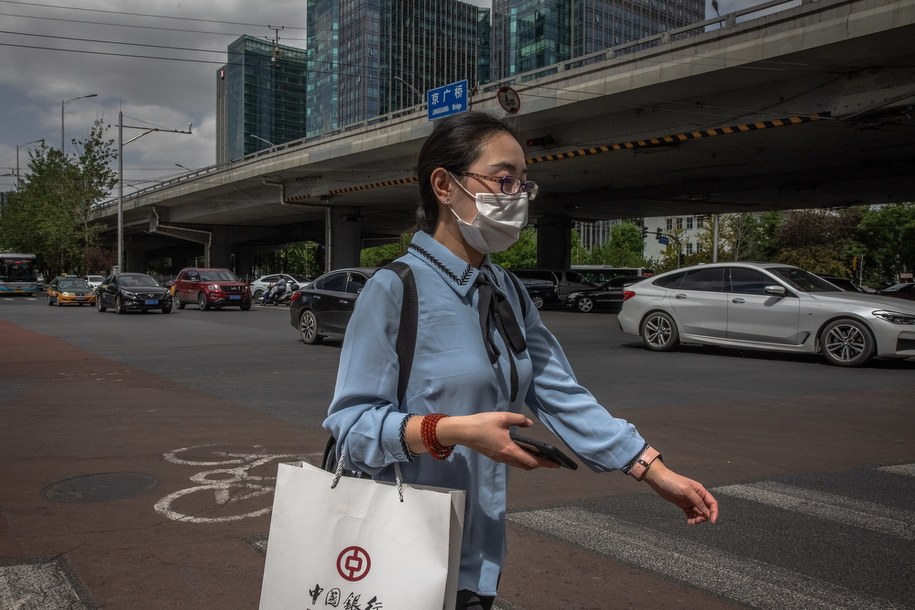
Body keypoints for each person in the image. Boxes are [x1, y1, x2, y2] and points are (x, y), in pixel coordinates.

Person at [324, 111, 718, 609]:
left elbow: (558, 390)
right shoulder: (393, 289)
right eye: (503, 179)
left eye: (522, 185)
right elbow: (353, 427)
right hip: (402, 553)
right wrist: (451, 431)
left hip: (478, 555)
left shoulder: (506, 289)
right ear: (444, 186)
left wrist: (654, 470)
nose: (515, 198)